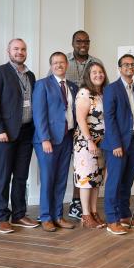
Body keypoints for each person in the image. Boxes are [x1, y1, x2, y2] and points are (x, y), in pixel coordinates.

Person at [0, 38, 39, 233]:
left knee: (21, 176)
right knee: (4, 175)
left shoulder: (31, 75)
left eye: (23, 49)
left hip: (26, 132)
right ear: (8, 51)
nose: (20, 52)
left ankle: (19, 214)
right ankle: (1, 216)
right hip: (4, 134)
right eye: (16, 49)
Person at [101, 54, 134, 235]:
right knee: (114, 182)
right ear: (119, 68)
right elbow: (109, 118)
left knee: (127, 182)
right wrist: (115, 144)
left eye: (132, 64)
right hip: (117, 144)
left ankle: (124, 215)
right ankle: (112, 220)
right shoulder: (111, 89)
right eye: (126, 64)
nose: (129, 67)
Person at [32, 52, 78, 232]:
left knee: (61, 179)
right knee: (48, 178)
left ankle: (58, 215)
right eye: (55, 63)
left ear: (67, 65)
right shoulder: (42, 84)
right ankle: (45, 217)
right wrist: (45, 139)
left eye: (62, 62)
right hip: (48, 140)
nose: (59, 65)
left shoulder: (73, 87)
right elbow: (39, 114)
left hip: (67, 138)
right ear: (51, 65)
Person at [65, 30, 102, 220]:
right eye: (79, 41)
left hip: (92, 127)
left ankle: (82, 205)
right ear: (72, 43)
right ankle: (76, 203)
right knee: (80, 167)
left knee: (89, 169)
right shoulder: (64, 61)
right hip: (70, 123)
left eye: (86, 41)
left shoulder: (96, 62)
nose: (83, 44)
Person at [73, 62, 108, 229]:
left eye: (101, 72)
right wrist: (89, 141)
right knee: (86, 179)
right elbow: (80, 119)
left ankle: (94, 212)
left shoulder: (103, 93)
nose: (98, 75)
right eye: (94, 72)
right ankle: (85, 215)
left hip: (103, 143)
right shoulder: (84, 93)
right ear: (88, 75)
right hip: (86, 143)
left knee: (97, 179)